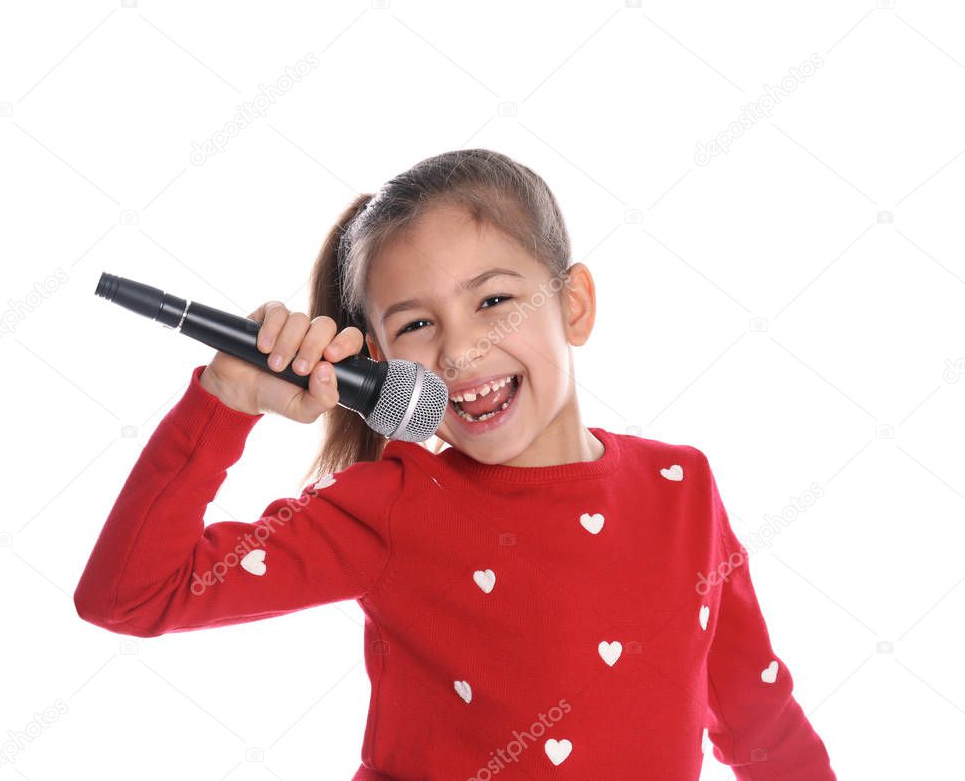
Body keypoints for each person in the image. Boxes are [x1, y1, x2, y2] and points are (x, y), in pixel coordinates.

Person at [74, 148, 837, 780]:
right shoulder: (390, 505)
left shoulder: (682, 486)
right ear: (379, 367)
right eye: (415, 324)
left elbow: (754, 711)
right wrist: (224, 401)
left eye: (494, 299)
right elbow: (131, 595)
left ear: (573, 305)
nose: (459, 350)